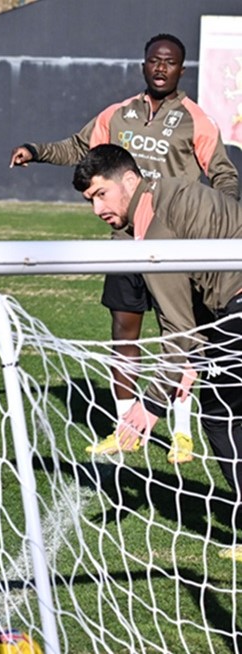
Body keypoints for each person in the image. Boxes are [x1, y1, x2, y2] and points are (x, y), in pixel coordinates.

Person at [10, 33, 239, 463]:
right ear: (143, 65)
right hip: (125, 246)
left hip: (178, 244)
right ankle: (125, 426)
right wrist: (37, 151)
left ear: (180, 70)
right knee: (124, 334)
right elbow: (81, 148)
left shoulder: (196, 120)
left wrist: (217, 229)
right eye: (153, 60)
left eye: (169, 63)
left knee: (185, 332)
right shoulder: (119, 114)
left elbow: (224, 174)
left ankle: (182, 433)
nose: (160, 68)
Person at [72, 143, 242, 560]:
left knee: (222, 419)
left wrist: (150, 405)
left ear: (129, 180)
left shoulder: (153, 227)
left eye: (100, 195)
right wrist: (193, 360)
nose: (97, 210)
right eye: (89, 201)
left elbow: (177, 327)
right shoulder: (169, 192)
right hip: (231, 307)